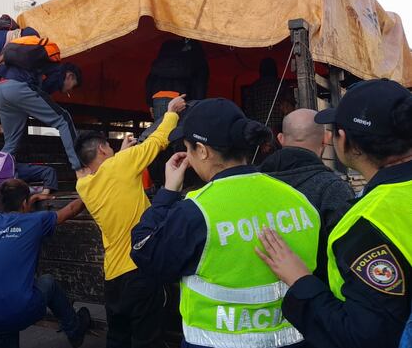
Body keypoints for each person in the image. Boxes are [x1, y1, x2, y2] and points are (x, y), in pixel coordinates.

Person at [129, 98, 321, 348]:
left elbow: (144, 249)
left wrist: (167, 192)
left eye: (188, 148)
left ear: (203, 150)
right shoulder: (298, 200)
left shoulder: (196, 211)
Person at [256, 79, 412, 348]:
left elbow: (362, 337)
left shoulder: (367, 224)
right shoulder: (353, 200)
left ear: (344, 140)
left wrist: (299, 280)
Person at [72, 95, 184, 348]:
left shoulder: (84, 186)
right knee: (148, 339)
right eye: (109, 148)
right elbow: (158, 140)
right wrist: (172, 112)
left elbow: (110, 173)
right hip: (139, 269)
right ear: (102, 149)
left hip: (113, 276)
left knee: (118, 337)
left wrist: (122, 154)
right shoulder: (121, 165)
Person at [0, 179, 91, 347]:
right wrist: (92, 191)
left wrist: (27, 202)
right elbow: (71, 209)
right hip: (20, 309)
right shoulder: (36, 221)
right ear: (24, 203)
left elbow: (15, 218)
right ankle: (74, 330)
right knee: (48, 282)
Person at [259, 108, 355, 279]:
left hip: (259, 299)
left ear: (280, 139)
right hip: (317, 295)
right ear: (326, 138)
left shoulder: (253, 183)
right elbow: (348, 259)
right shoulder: (333, 189)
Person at [0, 156, 60, 298]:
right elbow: (48, 171)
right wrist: (43, 193)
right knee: (5, 246)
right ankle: (8, 290)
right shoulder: (15, 168)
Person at [0, 62, 84, 171]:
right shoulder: (58, 72)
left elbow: (6, 65)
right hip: (19, 90)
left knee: (11, 144)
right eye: (72, 87)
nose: (69, 91)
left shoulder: (28, 59)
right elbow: (41, 95)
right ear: (70, 76)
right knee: (64, 119)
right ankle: (80, 168)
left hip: (1, 90)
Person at [145, 39, 208, 120]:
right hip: (182, 100)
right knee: (179, 131)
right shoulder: (196, 61)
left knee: (161, 130)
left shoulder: (159, 62)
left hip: (158, 100)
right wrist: (198, 105)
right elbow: (200, 86)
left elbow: (149, 83)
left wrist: (150, 103)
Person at [243, 57, 294, 134]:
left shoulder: (253, 87)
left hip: (259, 129)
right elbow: (289, 108)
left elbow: (248, 111)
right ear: (275, 70)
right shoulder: (282, 84)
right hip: (279, 129)